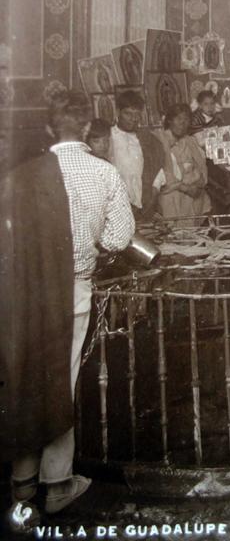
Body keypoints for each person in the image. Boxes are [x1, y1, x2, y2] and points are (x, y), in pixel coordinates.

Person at [0, 91, 135, 514]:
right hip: (74, 289)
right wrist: (95, 248)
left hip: (22, 292)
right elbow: (119, 237)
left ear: (47, 128)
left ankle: (22, 479)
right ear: (88, 127)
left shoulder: (21, 176)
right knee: (62, 380)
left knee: (24, 375)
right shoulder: (105, 173)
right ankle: (57, 483)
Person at [109, 90, 164, 219]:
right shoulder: (108, 137)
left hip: (145, 204)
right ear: (118, 112)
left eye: (137, 114)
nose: (133, 119)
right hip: (117, 206)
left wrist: (153, 194)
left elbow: (159, 170)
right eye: (128, 113)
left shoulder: (148, 139)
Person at [153, 103, 211, 224]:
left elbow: (202, 171)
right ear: (169, 120)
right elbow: (165, 177)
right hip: (171, 195)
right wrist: (184, 187)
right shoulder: (159, 140)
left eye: (186, 119)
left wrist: (197, 184)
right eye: (179, 118)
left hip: (192, 194)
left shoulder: (190, 141)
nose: (182, 123)